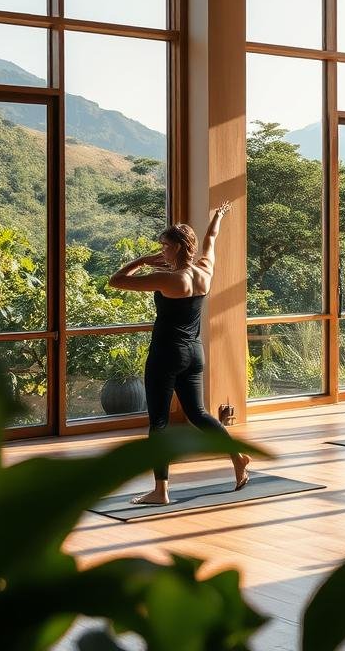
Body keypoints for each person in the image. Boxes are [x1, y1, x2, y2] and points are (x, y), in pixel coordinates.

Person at [109, 201, 248, 505]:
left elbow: (116, 281)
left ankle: (161, 491)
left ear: (176, 248)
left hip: (166, 355)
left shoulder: (169, 279)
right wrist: (218, 217)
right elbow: (210, 240)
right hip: (194, 354)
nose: (161, 249)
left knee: (158, 422)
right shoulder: (204, 271)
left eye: (164, 245)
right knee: (198, 414)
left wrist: (143, 260)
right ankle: (237, 459)